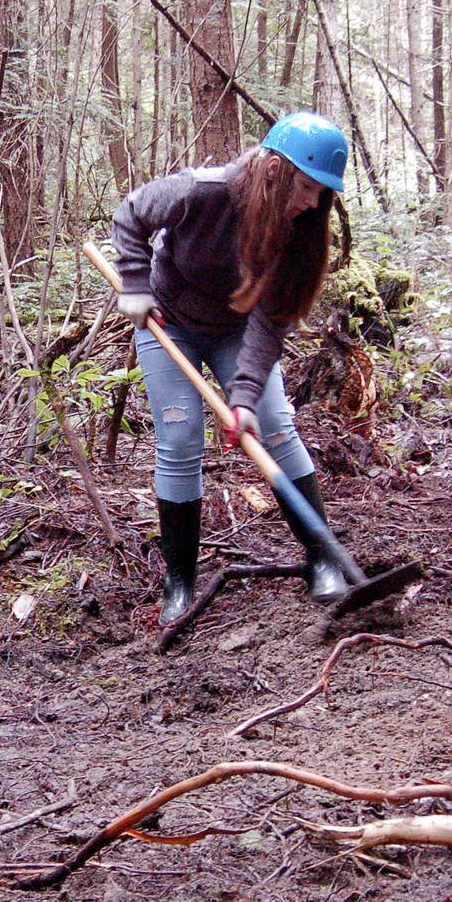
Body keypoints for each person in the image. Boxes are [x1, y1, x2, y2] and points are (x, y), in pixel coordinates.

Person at [110, 112, 349, 627]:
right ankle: (180, 584)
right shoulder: (201, 192)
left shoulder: (298, 234)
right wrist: (134, 283)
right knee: (178, 438)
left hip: (236, 330)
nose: (312, 202)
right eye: (306, 187)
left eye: (321, 194)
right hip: (167, 323)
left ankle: (323, 558)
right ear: (273, 170)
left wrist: (243, 396)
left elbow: (271, 324)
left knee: (276, 425)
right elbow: (131, 213)